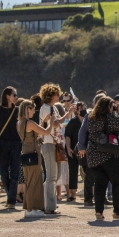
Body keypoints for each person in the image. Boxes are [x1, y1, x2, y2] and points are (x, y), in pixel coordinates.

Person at [86, 96, 119, 220]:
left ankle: (99, 212)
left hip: (93, 156)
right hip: (109, 154)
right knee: (117, 182)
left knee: (99, 184)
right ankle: (118, 211)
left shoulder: (91, 118)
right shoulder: (110, 118)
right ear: (109, 107)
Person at [39, 83, 75, 215]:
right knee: (51, 176)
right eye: (56, 94)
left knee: (56, 175)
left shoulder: (52, 108)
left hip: (56, 144)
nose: (58, 96)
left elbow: (57, 120)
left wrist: (68, 113)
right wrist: (61, 119)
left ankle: (46, 202)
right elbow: (54, 123)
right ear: (51, 95)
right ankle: (49, 206)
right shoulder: (44, 108)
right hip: (49, 143)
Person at [17, 100, 55, 218]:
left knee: (29, 181)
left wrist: (44, 121)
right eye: (32, 108)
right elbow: (46, 132)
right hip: (33, 153)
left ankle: (29, 208)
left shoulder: (19, 122)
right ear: (27, 109)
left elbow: (35, 133)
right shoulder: (29, 122)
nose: (34, 110)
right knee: (34, 181)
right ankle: (30, 209)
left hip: (25, 153)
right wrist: (51, 122)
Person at [0, 87, 22, 209]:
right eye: (14, 95)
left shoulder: (18, 110)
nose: (16, 97)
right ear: (7, 96)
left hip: (16, 143)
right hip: (2, 144)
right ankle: (10, 195)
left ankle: (11, 201)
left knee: (15, 172)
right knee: (3, 173)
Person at [64, 101, 86, 202]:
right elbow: (67, 135)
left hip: (85, 150)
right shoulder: (73, 122)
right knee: (73, 171)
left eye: (84, 108)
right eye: (81, 108)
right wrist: (68, 148)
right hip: (73, 149)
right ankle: (73, 194)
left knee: (87, 171)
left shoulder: (88, 120)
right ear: (77, 110)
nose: (83, 110)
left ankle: (89, 193)